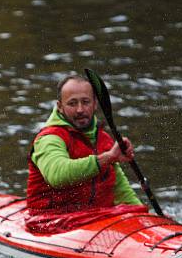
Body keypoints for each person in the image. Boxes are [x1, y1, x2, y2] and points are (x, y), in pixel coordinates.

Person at [25, 74, 147, 232]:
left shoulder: (104, 139)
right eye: (72, 103)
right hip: (50, 221)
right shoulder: (49, 139)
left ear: (95, 104)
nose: (80, 109)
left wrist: (145, 219)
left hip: (98, 220)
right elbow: (58, 175)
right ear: (60, 106)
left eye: (85, 102)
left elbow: (120, 190)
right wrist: (107, 158)